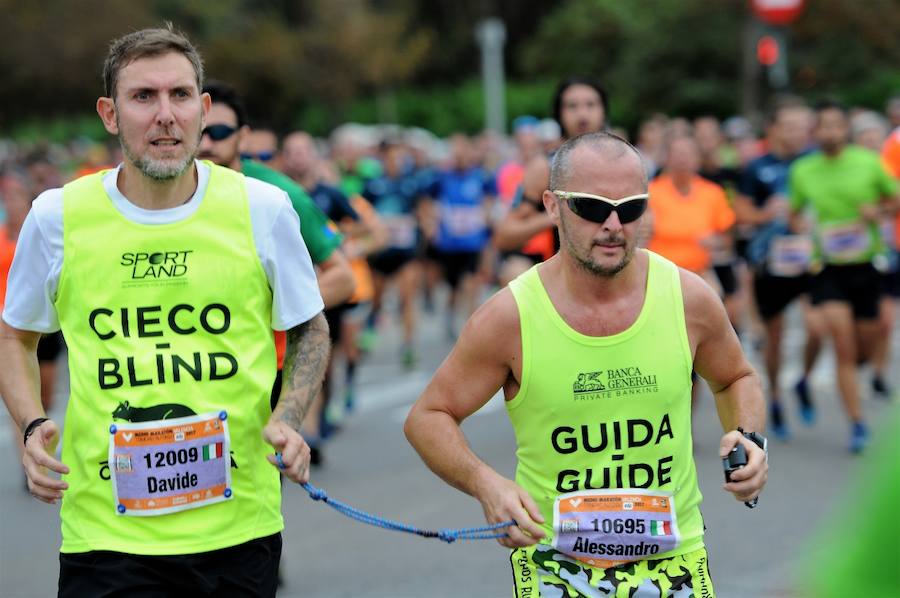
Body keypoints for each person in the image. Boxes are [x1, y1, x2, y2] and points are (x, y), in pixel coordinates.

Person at [0, 26, 330, 596]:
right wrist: (30, 426)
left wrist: (289, 418)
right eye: (143, 97)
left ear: (202, 110)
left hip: (238, 529)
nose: (165, 115)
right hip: (106, 535)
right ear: (109, 114)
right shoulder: (58, 216)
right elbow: (15, 337)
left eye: (180, 96)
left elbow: (310, 328)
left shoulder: (262, 208)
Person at [405, 132, 768, 596]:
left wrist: (750, 437)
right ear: (552, 206)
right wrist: (486, 485)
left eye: (631, 207)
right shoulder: (510, 316)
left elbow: (736, 376)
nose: (613, 225)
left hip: (673, 560)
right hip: (557, 566)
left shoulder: (687, 297)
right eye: (593, 207)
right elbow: (428, 417)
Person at [789, 99, 899, 453]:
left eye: (836, 125)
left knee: (867, 341)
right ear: (814, 131)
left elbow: (895, 201)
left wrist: (878, 211)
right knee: (843, 347)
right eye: (823, 126)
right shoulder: (803, 170)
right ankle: (857, 423)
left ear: (845, 129)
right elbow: (793, 216)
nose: (830, 132)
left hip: (865, 265)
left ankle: (815, 382)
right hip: (827, 267)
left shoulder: (869, 163)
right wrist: (801, 226)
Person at [735, 99, 825, 438]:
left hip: (810, 259)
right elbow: (741, 215)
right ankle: (774, 396)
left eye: (804, 126)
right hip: (772, 262)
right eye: (790, 126)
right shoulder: (757, 167)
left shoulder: (815, 163)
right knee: (776, 338)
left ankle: (803, 379)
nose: (798, 132)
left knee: (819, 328)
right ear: (774, 128)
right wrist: (767, 213)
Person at [493, 77, 608, 285]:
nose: (582, 114)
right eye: (572, 106)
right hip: (563, 277)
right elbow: (504, 235)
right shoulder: (545, 166)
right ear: (559, 115)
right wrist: (557, 214)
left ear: (603, 111)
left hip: (613, 269)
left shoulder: (623, 162)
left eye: (590, 105)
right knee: (514, 271)